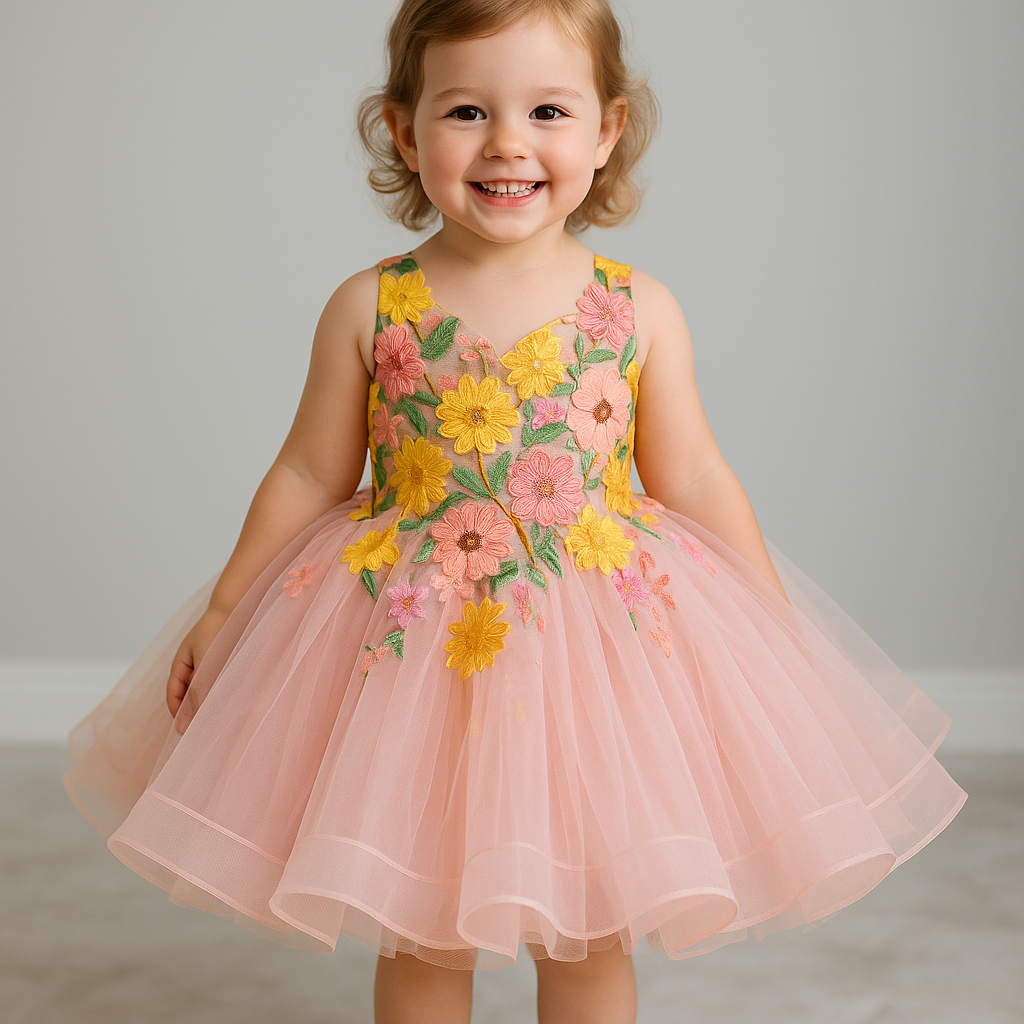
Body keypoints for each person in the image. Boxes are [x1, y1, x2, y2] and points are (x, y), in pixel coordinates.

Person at [63, 1, 968, 1022]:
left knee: (586, 929)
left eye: (546, 110)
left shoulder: (637, 309)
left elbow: (697, 477)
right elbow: (309, 474)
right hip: (412, 655)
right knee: (426, 926)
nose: (507, 143)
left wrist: (769, 623)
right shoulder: (372, 305)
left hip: (596, 662)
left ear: (607, 130)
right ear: (404, 131)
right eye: (464, 112)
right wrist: (228, 608)